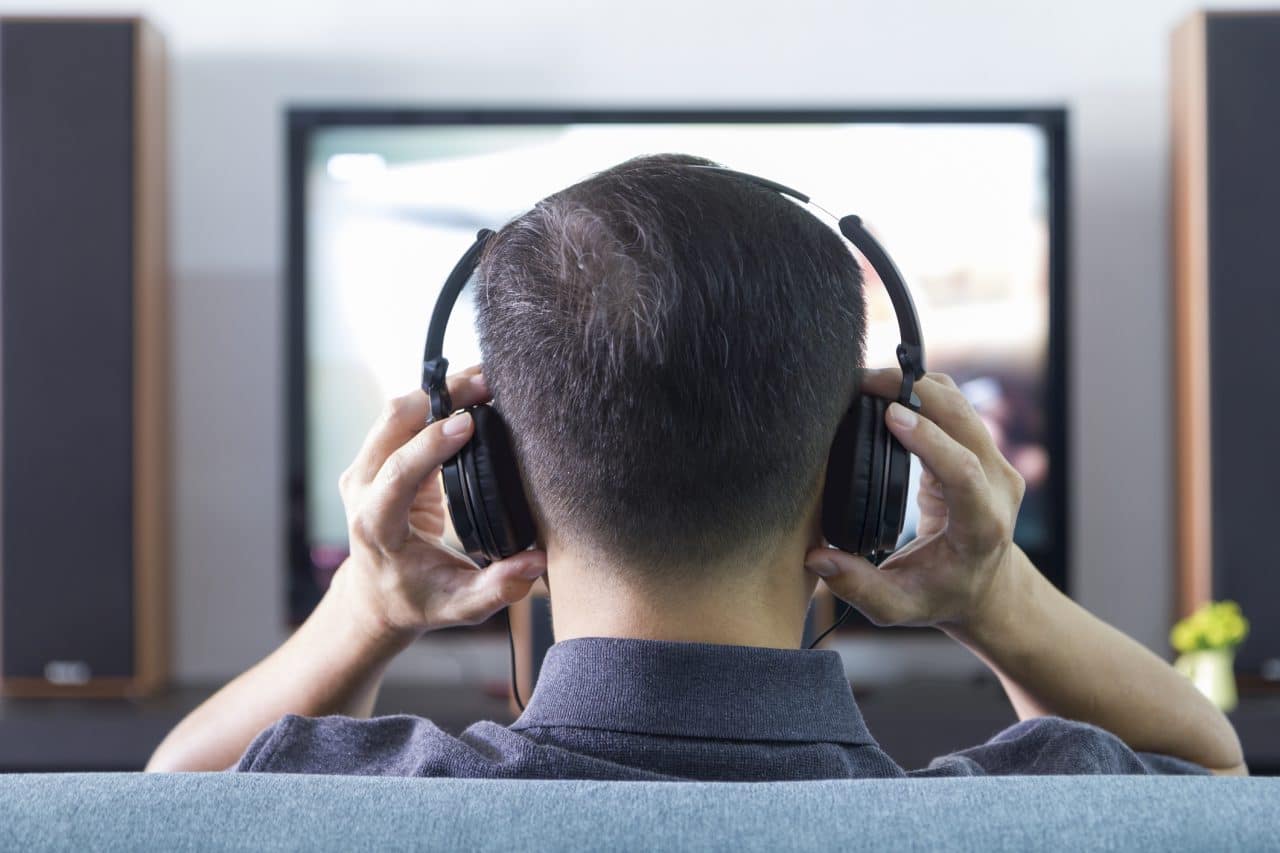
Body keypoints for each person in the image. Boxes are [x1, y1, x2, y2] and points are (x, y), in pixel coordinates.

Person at [147, 154, 1246, 778]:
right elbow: (1206, 773)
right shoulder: (1038, 815)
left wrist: (368, 606)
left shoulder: (343, 802)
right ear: (865, 477)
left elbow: (172, 801)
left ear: (494, 488)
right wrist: (994, 592)